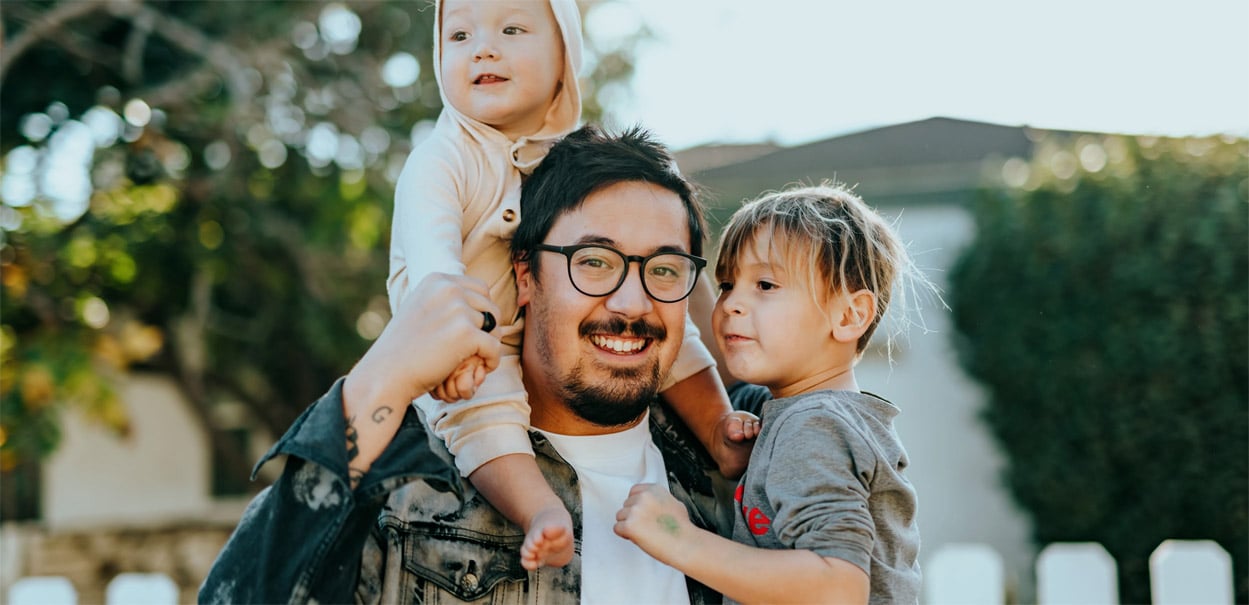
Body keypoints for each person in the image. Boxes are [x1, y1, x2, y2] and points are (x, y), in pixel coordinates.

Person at [200, 125, 751, 604]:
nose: (632, 304)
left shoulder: (750, 466)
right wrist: (383, 374)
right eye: (594, 262)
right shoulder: (410, 488)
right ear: (526, 275)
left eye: (663, 269)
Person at [387, 0, 755, 570]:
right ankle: (539, 509)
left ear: (566, 57)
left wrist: (665, 254)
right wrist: (454, 346)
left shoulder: (573, 159)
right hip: (464, 345)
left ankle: (718, 427)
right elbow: (435, 272)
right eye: (458, 35)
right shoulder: (442, 161)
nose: (482, 47)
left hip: (527, 326)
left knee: (661, 319)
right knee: (483, 416)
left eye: (511, 29)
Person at [615, 184, 928, 604]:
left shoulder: (813, 428)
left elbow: (838, 587)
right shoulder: (800, 414)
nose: (731, 305)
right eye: (726, 284)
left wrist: (679, 540)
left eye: (764, 284)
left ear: (851, 315)